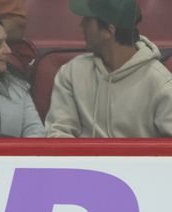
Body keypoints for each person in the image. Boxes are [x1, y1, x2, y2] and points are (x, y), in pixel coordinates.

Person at [45, 0, 172, 138]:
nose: (81, 27)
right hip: (81, 159)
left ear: (108, 31)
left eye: (87, 20)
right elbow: (58, 134)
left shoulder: (161, 84)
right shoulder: (71, 72)